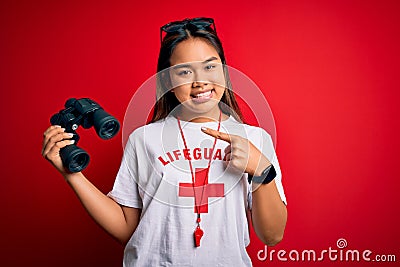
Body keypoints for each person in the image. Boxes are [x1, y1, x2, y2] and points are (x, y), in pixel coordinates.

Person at [42, 17, 287, 266]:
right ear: (167, 80)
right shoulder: (143, 139)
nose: (200, 80)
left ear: (224, 70)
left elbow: (272, 235)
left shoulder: (255, 139)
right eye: (184, 72)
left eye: (210, 67)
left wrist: (262, 171)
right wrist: (72, 175)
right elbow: (129, 229)